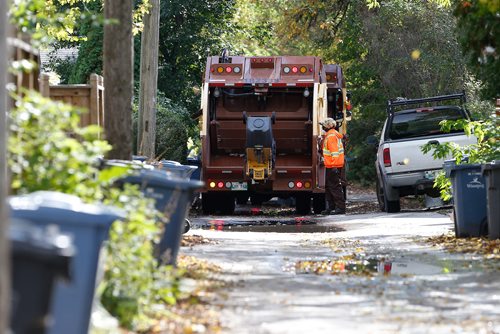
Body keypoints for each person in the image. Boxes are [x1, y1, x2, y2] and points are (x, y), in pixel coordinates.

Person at [319, 117, 346, 215]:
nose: (322, 127)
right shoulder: (332, 135)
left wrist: (334, 166)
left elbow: (334, 153)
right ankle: (331, 207)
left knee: (334, 187)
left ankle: (340, 208)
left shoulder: (330, 137)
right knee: (329, 187)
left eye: (323, 126)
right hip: (332, 166)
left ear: (327, 126)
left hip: (333, 166)